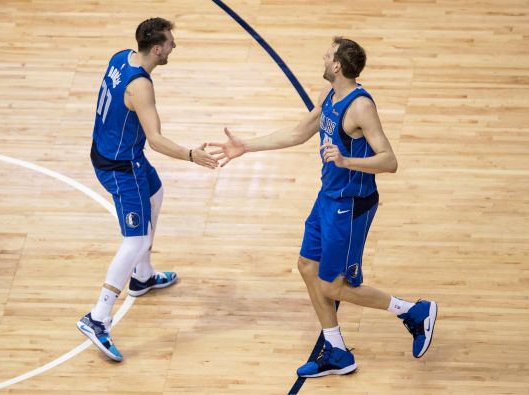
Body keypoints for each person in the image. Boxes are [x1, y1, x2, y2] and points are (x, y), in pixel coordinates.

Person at [209, 37, 437, 377]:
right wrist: (247, 146)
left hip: (351, 204)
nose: (323, 56)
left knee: (333, 285)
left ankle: (413, 312)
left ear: (337, 67)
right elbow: (298, 132)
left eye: (328, 54)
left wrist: (345, 160)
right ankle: (337, 351)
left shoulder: (360, 107)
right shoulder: (329, 96)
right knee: (307, 267)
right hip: (328, 198)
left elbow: (390, 161)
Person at [76, 17, 218, 362]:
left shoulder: (121, 56)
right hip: (121, 167)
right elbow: (155, 139)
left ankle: (142, 277)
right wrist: (190, 155)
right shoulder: (141, 85)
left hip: (116, 152)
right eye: (170, 42)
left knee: (156, 195)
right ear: (157, 48)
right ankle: (98, 317)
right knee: (136, 239)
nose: (174, 46)